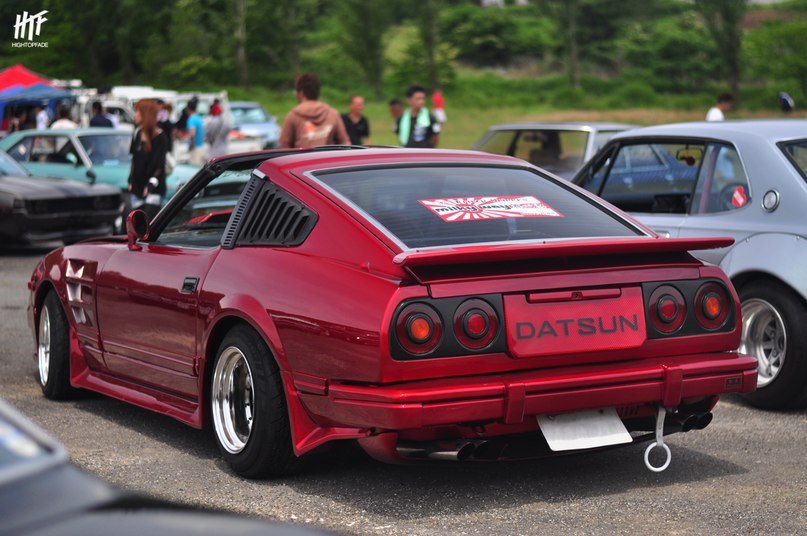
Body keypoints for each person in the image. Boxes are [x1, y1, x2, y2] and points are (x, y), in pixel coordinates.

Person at [279, 72, 350, 148]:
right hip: (328, 155)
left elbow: (284, 146)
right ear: (318, 91)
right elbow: (345, 143)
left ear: (301, 93)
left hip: (303, 156)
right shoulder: (333, 113)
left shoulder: (293, 116)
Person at [128, 99, 168, 220]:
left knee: (148, 223)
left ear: (145, 114)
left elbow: (159, 165)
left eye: (137, 112)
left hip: (153, 190)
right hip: (137, 188)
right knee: (137, 224)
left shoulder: (160, 137)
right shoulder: (137, 133)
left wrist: (150, 184)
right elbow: (134, 159)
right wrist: (130, 180)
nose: (135, 115)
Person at [186, 99, 206, 166]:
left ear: (188, 108)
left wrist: (190, 146)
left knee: (194, 167)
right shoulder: (198, 118)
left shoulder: (191, 119)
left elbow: (192, 133)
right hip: (200, 146)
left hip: (195, 148)